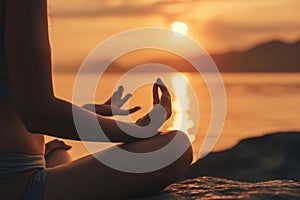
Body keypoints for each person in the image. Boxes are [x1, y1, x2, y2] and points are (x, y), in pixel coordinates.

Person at [0, 0, 192, 199]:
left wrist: (87, 111)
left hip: (17, 171)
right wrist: (137, 129)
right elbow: (37, 113)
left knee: (58, 153)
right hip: (14, 185)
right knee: (174, 148)